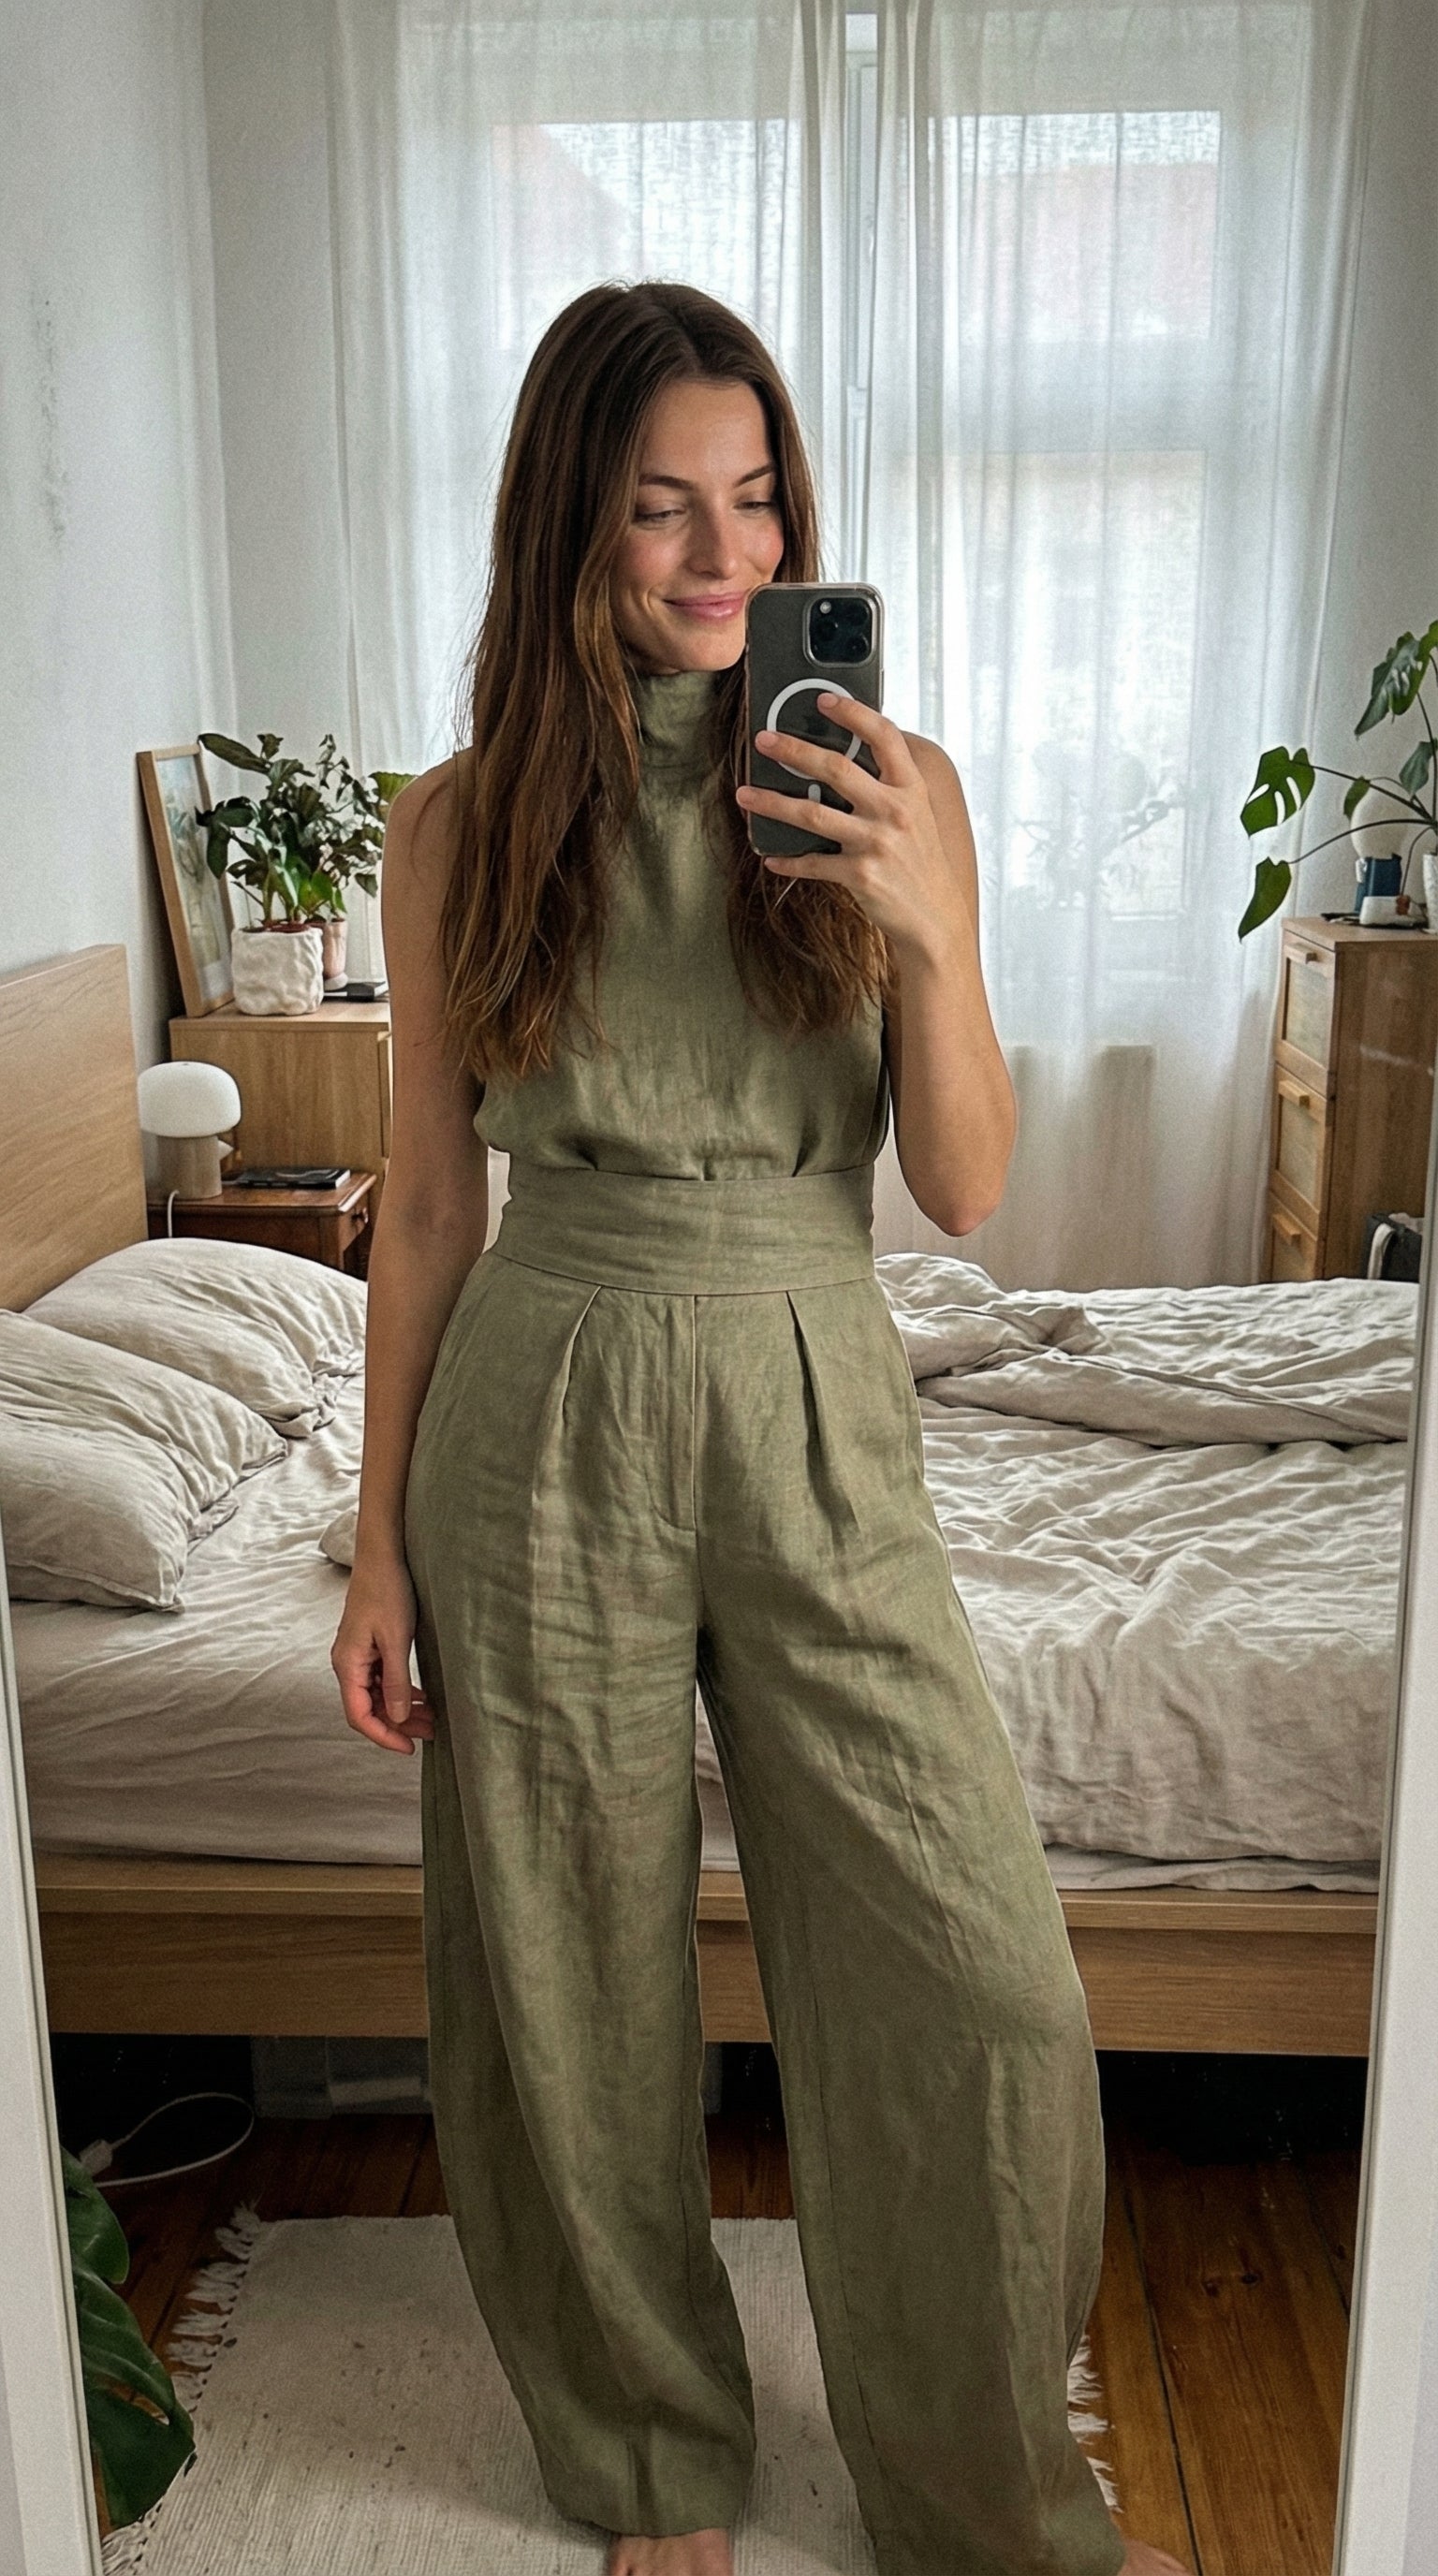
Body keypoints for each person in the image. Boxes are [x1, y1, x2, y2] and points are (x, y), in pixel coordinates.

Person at [331, 280, 1190, 2576]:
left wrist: (930, 927)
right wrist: (377, 1541)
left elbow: (968, 1186)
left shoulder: (897, 787)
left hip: (815, 1371)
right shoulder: (453, 827)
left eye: (758, 499)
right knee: (566, 1968)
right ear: (569, 525)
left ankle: (983, 2486)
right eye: (660, 509)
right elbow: (428, 1201)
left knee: (980, 1975)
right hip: (541, 1393)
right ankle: (647, 2454)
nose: (725, 557)